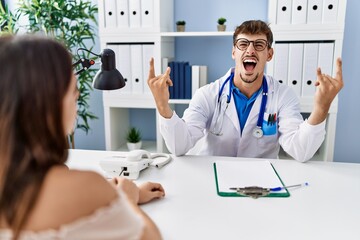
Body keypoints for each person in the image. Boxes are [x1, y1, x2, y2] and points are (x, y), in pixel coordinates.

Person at [0, 35, 165, 240]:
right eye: (73, 92)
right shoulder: (84, 188)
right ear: (49, 105)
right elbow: (152, 237)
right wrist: (126, 200)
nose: (77, 99)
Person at [147, 20, 343, 162]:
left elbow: (301, 151)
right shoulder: (207, 94)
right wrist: (163, 105)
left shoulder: (283, 96)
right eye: (243, 44)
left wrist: (322, 107)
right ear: (234, 52)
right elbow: (179, 146)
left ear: (269, 54)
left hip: (260, 184)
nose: (250, 51)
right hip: (211, 177)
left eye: (259, 45)